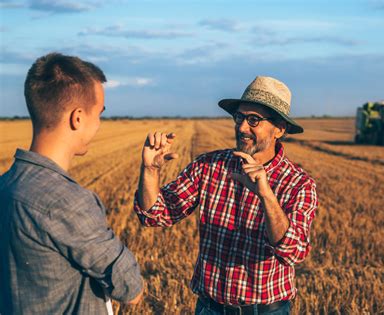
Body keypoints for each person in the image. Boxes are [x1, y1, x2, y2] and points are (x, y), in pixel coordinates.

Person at [134, 76, 318, 314]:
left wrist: (266, 196)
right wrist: (150, 170)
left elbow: (292, 251)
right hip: (210, 307)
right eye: (239, 117)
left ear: (279, 129)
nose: (242, 127)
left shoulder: (298, 183)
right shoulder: (209, 166)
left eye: (254, 120)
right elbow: (155, 215)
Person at [0, 53, 144, 314]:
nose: (99, 123)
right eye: (99, 113)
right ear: (77, 118)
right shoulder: (67, 202)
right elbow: (131, 289)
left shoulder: (6, 185)